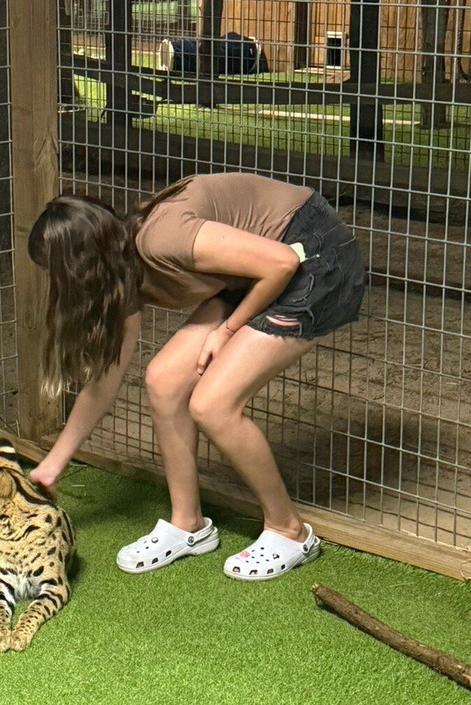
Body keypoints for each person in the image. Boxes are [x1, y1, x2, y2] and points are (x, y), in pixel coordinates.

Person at [26, 173, 366, 581]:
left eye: (55, 271)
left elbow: (282, 262)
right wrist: (51, 467)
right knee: (164, 379)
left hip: (313, 255)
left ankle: (290, 532)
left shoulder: (161, 239)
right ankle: (187, 524)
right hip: (255, 270)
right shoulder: (121, 272)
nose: (56, 283)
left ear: (80, 264)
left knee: (213, 405)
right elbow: (105, 380)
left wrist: (225, 332)